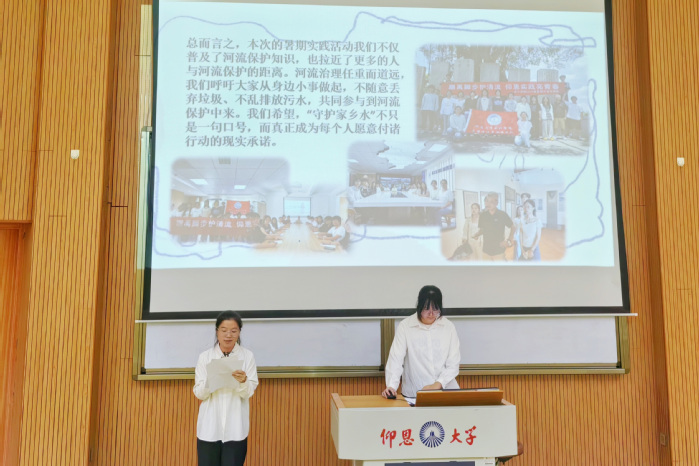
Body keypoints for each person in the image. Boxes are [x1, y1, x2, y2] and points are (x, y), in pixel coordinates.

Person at [194, 311, 258, 466]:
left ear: (239, 332)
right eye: (224, 330)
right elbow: (199, 393)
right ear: (217, 331)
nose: (228, 335)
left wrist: (243, 381)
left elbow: (249, 392)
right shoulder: (205, 357)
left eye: (233, 331)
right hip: (209, 429)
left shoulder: (247, 356)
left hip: (235, 429)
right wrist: (211, 380)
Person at [382, 285, 461, 400]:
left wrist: (438, 384)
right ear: (419, 306)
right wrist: (391, 386)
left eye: (435, 309)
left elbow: (453, 364)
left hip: (446, 391)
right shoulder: (405, 326)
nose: (431, 314)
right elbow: (396, 359)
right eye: (426, 309)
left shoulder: (448, 327)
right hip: (415, 393)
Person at [472, 192, 514, 261]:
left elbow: (513, 226)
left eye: (491, 202)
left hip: (499, 251)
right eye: (487, 201)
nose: (488, 204)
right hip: (486, 250)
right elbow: (482, 230)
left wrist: (509, 239)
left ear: (496, 203)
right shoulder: (483, 215)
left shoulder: (502, 214)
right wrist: (477, 234)